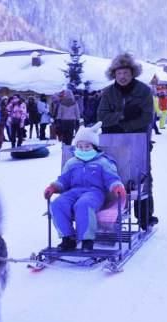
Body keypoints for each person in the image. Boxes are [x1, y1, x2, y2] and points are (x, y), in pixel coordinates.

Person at [43, 122, 126, 251]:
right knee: (57, 204)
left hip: (94, 193)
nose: (83, 149)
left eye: (87, 146)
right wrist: (54, 187)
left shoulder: (103, 162)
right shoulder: (72, 162)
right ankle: (68, 238)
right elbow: (63, 180)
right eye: (80, 146)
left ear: (94, 146)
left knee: (83, 204)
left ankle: (87, 239)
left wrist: (116, 186)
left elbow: (111, 178)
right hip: (74, 192)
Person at [97, 52, 157, 229]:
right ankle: (110, 215)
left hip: (138, 140)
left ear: (132, 73)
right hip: (112, 142)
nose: (122, 76)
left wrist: (122, 126)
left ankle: (145, 216)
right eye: (119, 73)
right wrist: (122, 115)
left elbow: (146, 118)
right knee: (112, 176)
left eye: (126, 73)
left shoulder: (144, 91)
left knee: (142, 178)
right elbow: (101, 116)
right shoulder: (108, 93)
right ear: (114, 74)